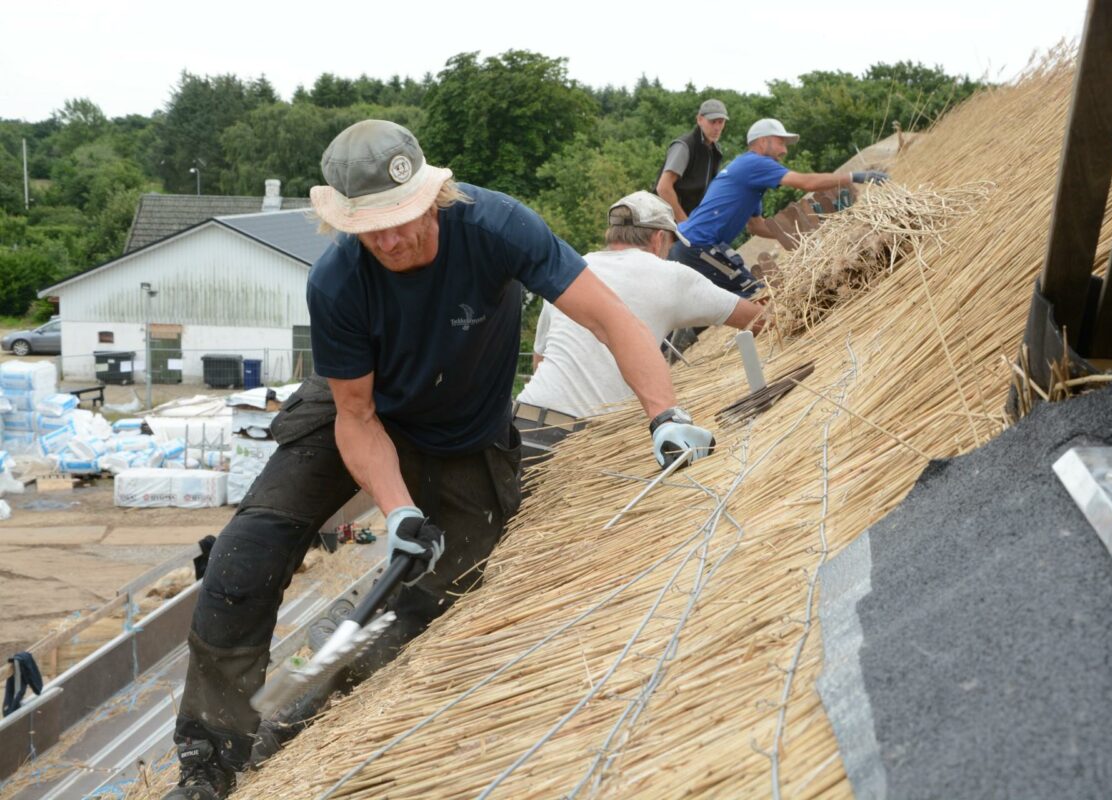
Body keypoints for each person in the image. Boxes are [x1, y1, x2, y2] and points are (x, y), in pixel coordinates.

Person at [164, 120, 718, 800]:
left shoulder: (498, 228)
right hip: (362, 413)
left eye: (403, 220)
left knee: (438, 594)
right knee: (241, 561)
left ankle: (303, 715)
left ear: (435, 196)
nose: (391, 241)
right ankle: (209, 759)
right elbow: (357, 416)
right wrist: (397, 510)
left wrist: (664, 413)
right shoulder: (340, 281)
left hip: (465, 433)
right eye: (372, 229)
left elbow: (611, 320)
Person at [515, 191, 767, 465]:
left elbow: (540, 361)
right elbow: (759, 319)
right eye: (670, 244)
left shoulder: (573, 270)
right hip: (577, 442)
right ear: (659, 238)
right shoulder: (671, 275)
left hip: (522, 424)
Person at [670, 118, 888, 298]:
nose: (784, 150)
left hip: (697, 246)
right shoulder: (754, 164)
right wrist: (855, 176)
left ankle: (683, 334)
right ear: (763, 141)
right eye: (780, 142)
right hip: (699, 247)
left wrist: (802, 234)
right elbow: (806, 183)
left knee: (720, 297)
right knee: (756, 295)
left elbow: (756, 226)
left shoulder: (750, 180)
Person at [655, 99, 729, 222]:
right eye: (712, 122)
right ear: (699, 119)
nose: (717, 127)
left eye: (721, 122)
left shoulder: (716, 150)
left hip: (694, 221)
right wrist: (685, 224)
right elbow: (663, 188)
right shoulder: (684, 146)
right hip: (668, 222)